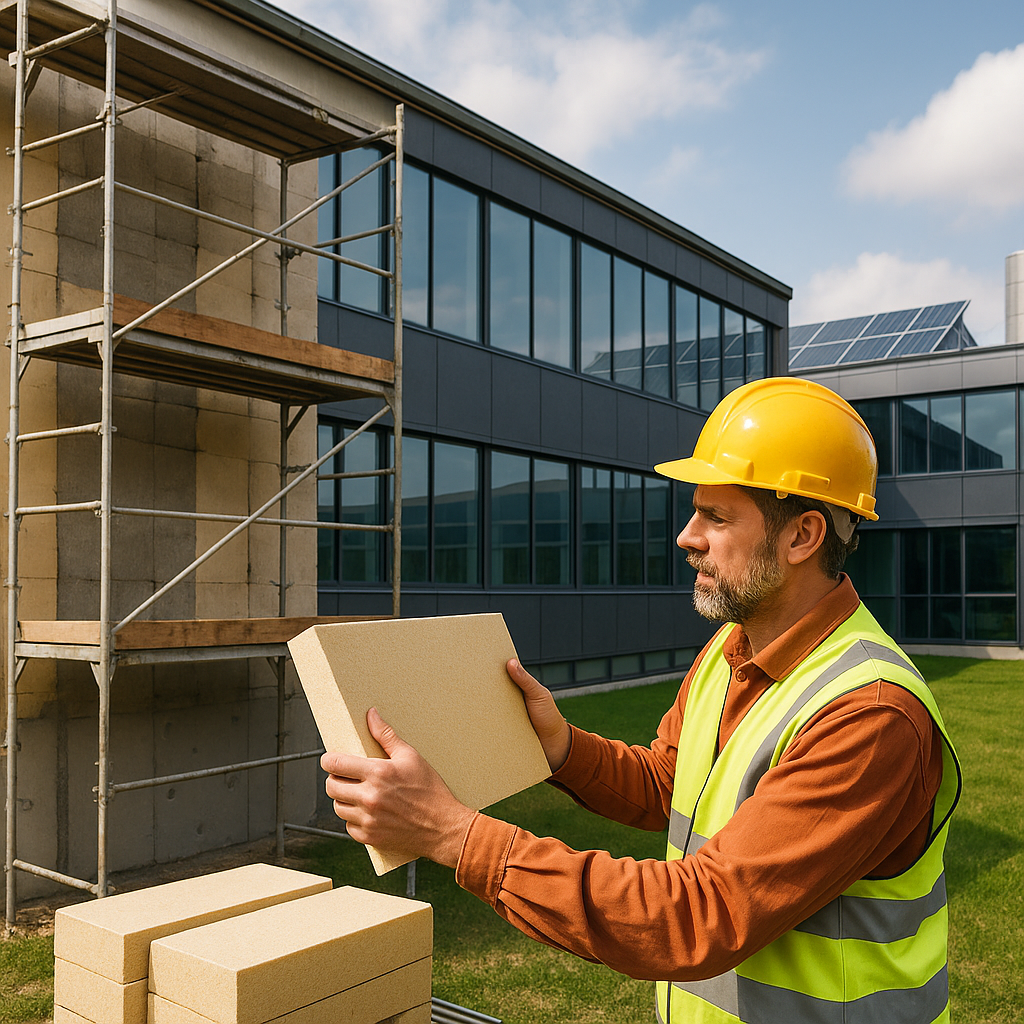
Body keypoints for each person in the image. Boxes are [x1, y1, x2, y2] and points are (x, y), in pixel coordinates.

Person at [322, 376, 961, 1024]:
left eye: (716, 517)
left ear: (802, 536)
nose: (687, 536)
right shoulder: (729, 648)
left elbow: (698, 916)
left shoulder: (870, 714)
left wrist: (451, 833)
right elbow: (667, 783)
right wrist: (563, 749)